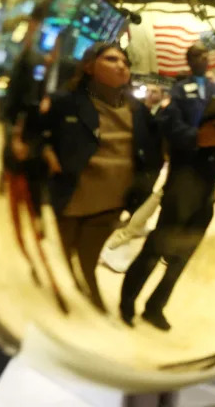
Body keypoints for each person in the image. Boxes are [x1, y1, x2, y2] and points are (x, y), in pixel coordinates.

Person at [41, 43, 164, 312]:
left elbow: (152, 156)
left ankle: (87, 290)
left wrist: (138, 193)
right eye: (111, 59)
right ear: (88, 66)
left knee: (89, 256)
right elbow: (36, 133)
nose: (121, 65)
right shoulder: (66, 101)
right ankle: (56, 296)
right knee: (59, 254)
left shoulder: (138, 112)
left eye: (125, 62)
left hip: (111, 204)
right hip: (71, 199)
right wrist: (47, 153)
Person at [119, 43, 215, 330]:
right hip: (183, 178)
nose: (202, 59)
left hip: (207, 182)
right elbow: (167, 127)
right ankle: (127, 299)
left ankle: (156, 306)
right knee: (158, 244)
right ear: (189, 61)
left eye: (205, 55)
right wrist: (195, 137)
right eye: (196, 56)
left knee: (184, 253)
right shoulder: (179, 92)